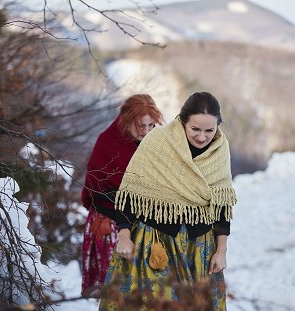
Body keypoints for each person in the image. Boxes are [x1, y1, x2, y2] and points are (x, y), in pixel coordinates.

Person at [99, 91, 237, 310]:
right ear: (182, 122)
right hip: (154, 243)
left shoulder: (220, 150)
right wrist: (124, 235)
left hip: (198, 249)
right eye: (195, 129)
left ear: (218, 126)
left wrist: (221, 251)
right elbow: (131, 193)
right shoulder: (158, 141)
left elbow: (221, 205)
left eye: (209, 130)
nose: (202, 137)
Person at [81, 94, 163, 297]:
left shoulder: (155, 144)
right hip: (110, 221)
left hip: (143, 223)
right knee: (115, 293)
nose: (145, 132)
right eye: (140, 126)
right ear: (127, 121)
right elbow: (94, 188)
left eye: (150, 126)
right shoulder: (108, 141)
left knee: (144, 293)